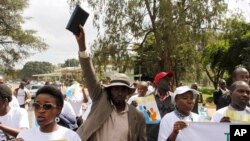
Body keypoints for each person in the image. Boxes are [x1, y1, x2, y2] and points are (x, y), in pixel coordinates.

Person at [75, 26, 146, 141]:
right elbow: (89, 74)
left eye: (123, 89)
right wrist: (82, 46)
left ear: (128, 92)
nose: (119, 93)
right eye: (116, 89)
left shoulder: (138, 116)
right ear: (109, 90)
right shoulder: (100, 99)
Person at [13, 85, 81, 141]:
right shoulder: (24, 136)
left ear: (58, 109)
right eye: (37, 105)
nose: (41, 110)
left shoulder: (71, 137)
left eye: (47, 106)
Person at [146, 71, 175, 141]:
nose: (169, 82)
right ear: (157, 82)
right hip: (152, 137)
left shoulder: (175, 98)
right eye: (166, 80)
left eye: (170, 80)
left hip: (169, 137)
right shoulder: (148, 98)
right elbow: (147, 120)